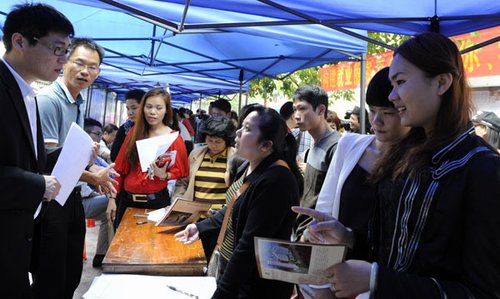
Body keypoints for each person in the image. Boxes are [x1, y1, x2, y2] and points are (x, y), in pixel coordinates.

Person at [300, 33, 500, 299]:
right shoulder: (405, 156)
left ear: (441, 82)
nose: (392, 96)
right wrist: (348, 237)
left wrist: (376, 279)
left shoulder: (482, 169)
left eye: (401, 82)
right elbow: (392, 251)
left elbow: (481, 292)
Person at [294, 67, 410, 298]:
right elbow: (326, 210)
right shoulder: (350, 146)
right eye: (372, 111)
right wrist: (320, 286)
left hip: (386, 281)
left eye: (388, 112)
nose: (376, 121)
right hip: (337, 274)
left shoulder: (420, 163)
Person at [176, 106, 303, 298]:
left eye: (247, 129)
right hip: (238, 273)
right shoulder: (249, 165)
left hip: (257, 286)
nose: (238, 132)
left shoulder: (276, 182)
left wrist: (223, 293)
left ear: (266, 146)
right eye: (242, 126)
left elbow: (248, 247)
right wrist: (200, 228)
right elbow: (232, 209)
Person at [33, 37, 116, 299]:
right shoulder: (49, 100)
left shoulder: (77, 102)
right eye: (79, 63)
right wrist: (93, 176)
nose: (85, 71)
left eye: (92, 67)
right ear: (64, 61)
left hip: (72, 197)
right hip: (50, 200)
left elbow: (74, 154)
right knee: (51, 278)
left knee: (70, 275)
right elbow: (48, 159)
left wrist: (92, 172)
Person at [0, 4, 70, 298]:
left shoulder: (29, 94)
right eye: (57, 49)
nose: (64, 60)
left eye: (67, 50)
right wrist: (37, 184)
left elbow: (27, 159)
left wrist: (73, 155)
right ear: (20, 41)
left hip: (15, 244)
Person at [108, 88, 189, 228]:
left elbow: (182, 172)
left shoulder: (174, 138)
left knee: (152, 246)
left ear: (166, 110)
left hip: (156, 202)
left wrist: (165, 175)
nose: (153, 112)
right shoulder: (134, 132)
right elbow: (120, 169)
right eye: (149, 107)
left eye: (158, 108)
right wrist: (112, 198)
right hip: (126, 201)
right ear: (143, 108)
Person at [291, 85, 340, 241]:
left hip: (316, 237)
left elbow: (332, 202)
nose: (296, 116)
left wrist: (308, 235)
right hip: (302, 233)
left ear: (320, 110)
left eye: (302, 109)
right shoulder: (314, 143)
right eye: (295, 110)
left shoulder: (335, 146)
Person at [82, 118, 112, 268]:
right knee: (114, 204)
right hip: (78, 203)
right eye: (98, 134)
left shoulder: (95, 155)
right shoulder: (79, 153)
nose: (101, 138)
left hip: (87, 200)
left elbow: (111, 171)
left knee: (110, 209)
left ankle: (101, 255)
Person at [110, 89, 145, 162]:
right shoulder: (124, 129)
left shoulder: (153, 128)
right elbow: (114, 156)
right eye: (128, 108)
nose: (130, 112)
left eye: (134, 108)